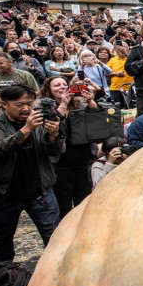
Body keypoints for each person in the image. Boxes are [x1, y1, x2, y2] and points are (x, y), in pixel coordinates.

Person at [0, 84, 64, 265]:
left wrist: (54, 135)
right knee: (2, 238)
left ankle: (57, 269)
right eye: (19, 104)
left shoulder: (39, 120)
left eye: (28, 103)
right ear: (5, 104)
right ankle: (4, 274)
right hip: (4, 194)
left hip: (40, 191)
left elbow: (55, 152)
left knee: (54, 236)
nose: (25, 109)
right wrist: (27, 129)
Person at [41, 76, 97, 219]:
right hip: (61, 162)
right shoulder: (45, 106)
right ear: (49, 90)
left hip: (83, 158)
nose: (62, 87)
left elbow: (97, 119)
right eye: (57, 85)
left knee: (83, 201)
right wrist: (63, 104)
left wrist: (90, 100)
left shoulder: (79, 103)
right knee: (63, 203)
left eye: (64, 84)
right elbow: (49, 127)